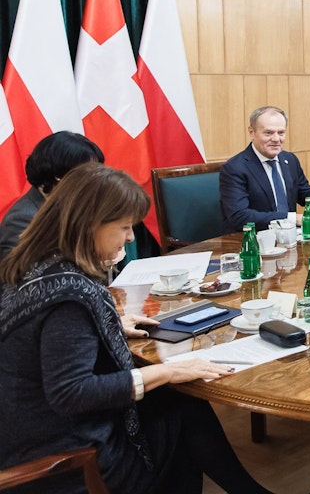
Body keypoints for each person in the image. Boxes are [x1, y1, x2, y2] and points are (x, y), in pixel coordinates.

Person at [0, 163, 275, 494]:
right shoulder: (70, 297)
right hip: (65, 457)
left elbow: (48, 339)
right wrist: (167, 373)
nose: (131, 237)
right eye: (125, 227)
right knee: (180, 422)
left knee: (182, 405)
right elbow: (72, 393)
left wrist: (106, 325)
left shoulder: (31, 266)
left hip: (24, 431)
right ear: (89, 225)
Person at [220, 106, 310, 232]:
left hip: (291, 239)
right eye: (268, 133)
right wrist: (290, 218)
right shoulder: (234, 168)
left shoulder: (289, 160)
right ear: (252, 133)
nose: (276, 139)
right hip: (254, 242)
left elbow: (305, 192)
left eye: (281, 133)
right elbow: (239, 216)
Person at [0, 131, 105, 261]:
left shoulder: (74, 206)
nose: (94, 181)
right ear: (60, 175)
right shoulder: (22, 218)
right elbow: (19, 273)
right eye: (88, 174)